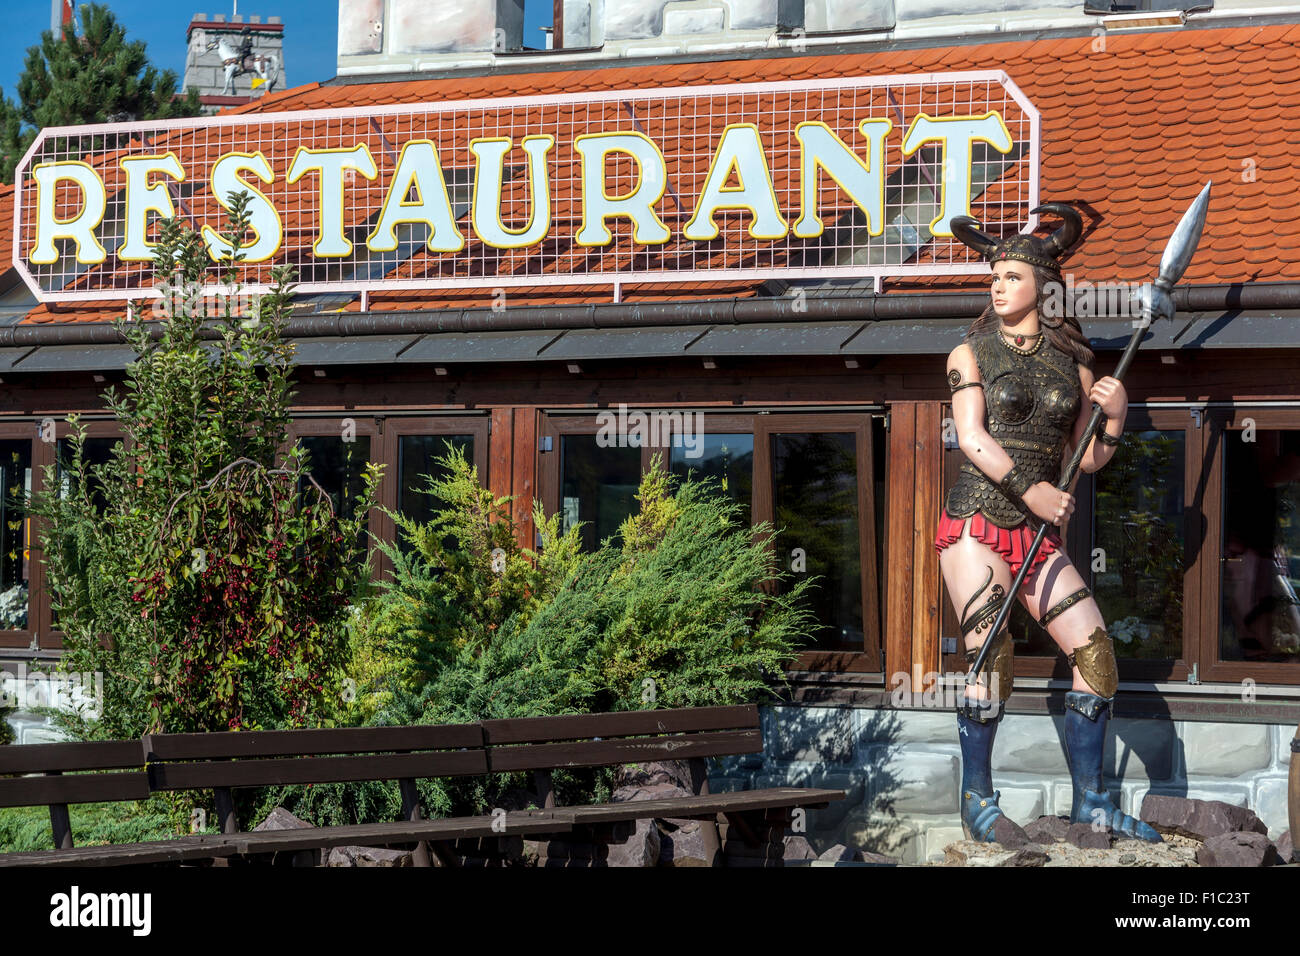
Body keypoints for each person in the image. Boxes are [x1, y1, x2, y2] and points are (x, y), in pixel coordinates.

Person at [935, 203, 1162, 844]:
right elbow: (972, 437)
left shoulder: (1076, 363)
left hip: (1039, 534)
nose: (998, 285)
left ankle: (1092, 801)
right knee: (991, 649)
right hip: (980, 518)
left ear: (1043, 285)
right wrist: (1031, 490)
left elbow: (1086, 457)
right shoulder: (968, 352)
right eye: (995, 276)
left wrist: (1114, 416)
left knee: (1096, 655)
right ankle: (977, 801)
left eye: (1011, 275)